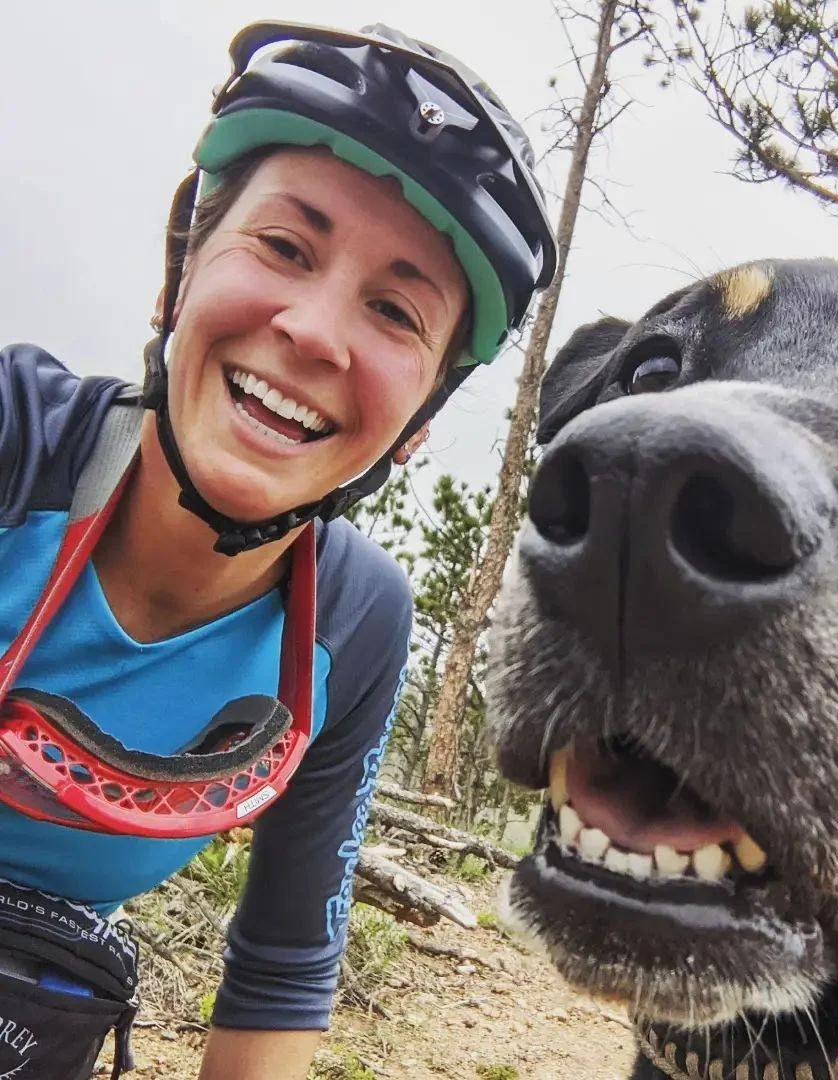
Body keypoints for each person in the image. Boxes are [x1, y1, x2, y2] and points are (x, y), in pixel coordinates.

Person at [0, 19, 555, 1080]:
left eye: (395, 310)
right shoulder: (15, 440)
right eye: (285, 247)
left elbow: (283, 969)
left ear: (421, 420)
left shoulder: (351, 624)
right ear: (178, 279)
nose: (313, 332)